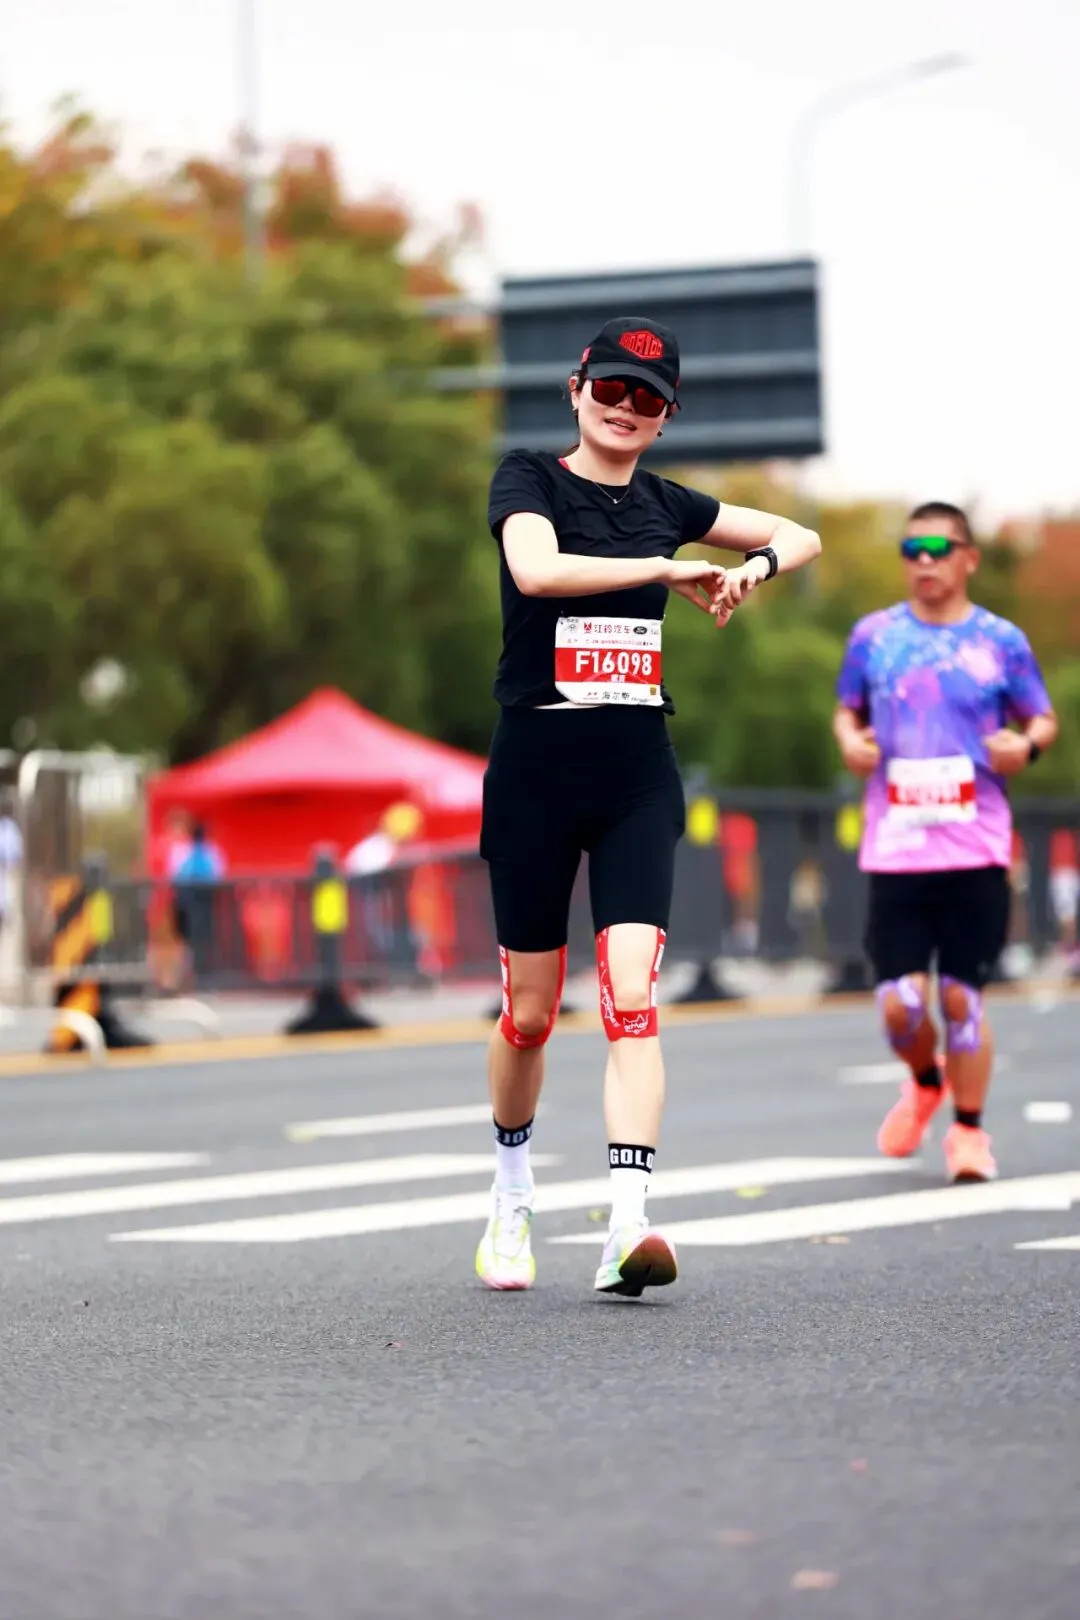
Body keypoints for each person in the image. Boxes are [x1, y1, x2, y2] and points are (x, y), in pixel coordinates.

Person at [475, 315, 822, 1295]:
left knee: (632, 996)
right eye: (611, 389)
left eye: (648, 398)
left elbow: (801, 533)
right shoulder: (529, 479)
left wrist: (750, 571)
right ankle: (511, 1192)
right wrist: (668, 568)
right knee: (529, 1014)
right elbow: (537, 571)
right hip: (535, 771)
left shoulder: (670, 501)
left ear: (668, 417)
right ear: (577, 388)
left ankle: (628, 1225)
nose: (625, 409)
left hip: (635, 773)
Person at [833, 501, 1057, 1184]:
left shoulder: (1000, 641)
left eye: (938, 549)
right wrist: (851, 743)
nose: (924, 562)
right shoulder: (874, 636)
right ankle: (926, 1080)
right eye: (912, 551)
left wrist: (1025, 746)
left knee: (962, 999)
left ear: (968, 558)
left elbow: (1041, 717)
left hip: (975, 846)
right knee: (899, 1004)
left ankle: (967, 1131)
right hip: (897, 847)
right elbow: (847, 711)